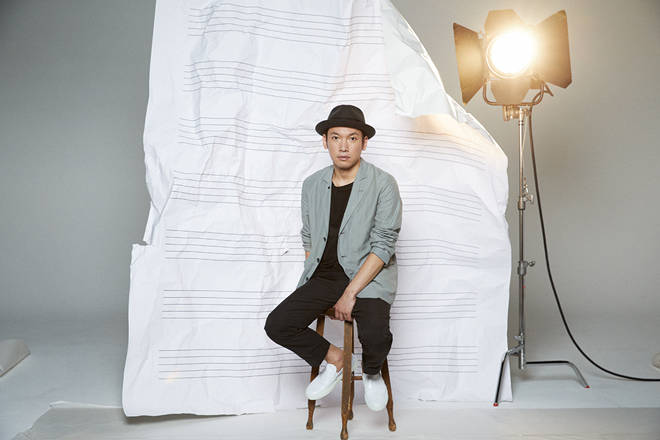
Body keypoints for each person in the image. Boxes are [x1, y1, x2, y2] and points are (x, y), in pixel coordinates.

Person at [265, 104, 402, 411]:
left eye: (352, 138)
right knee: (278, 324)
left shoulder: (383, 183)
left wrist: (350, 293)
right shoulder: (312, 184)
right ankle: (337, 359)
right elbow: (309, 236)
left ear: (364, 143)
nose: (343, 146)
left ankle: (371, 372)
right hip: (325, 276)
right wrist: (312, 272)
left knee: (376, 335)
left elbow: (383, 244)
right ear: (325, 141)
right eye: (336, 137)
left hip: (369, 275)